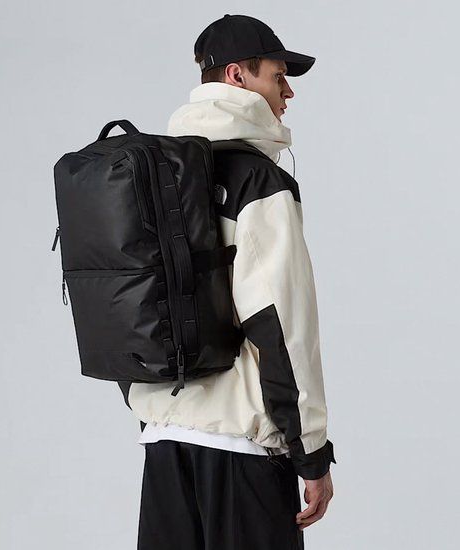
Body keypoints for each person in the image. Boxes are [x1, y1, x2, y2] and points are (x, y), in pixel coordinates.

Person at [123, 14, 337, 550]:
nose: (288, 93)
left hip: (164, 441)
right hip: (242, 447)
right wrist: (311, 452)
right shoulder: (258, 180)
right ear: (238, 76)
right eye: (278, 76)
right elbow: (281, 324)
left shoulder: (156, 174)